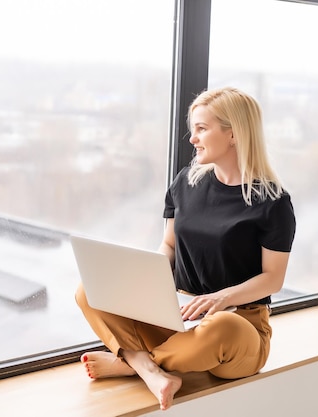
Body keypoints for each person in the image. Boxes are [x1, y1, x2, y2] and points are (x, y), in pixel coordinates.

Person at [75, 87, 296, 411]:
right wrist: (145, 277)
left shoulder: (274, 203)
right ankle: (151, 370)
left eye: (202, 129)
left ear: (233, 134)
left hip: (238, 328)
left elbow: (272, 279)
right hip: (176, 314)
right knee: (89, 290)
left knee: (222, 326)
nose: (192, 139)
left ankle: (131, 363)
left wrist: (221, 299)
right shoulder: (186, 182)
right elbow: (169, 245)